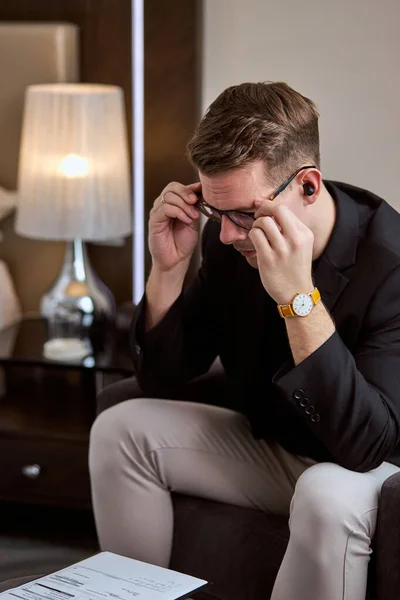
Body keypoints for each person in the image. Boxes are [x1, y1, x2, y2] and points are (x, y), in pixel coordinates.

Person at [89, 81, 400, 600]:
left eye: (245, 215)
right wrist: (168, 269)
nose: (229, 235)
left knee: (323, 492)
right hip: (275, 448)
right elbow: (163, 377)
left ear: (308, 185)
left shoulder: (390, 266)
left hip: (370, 472)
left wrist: (298, 297)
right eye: (216, 213)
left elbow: (366, 445)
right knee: (121, 428)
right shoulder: (228, 239)